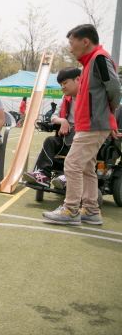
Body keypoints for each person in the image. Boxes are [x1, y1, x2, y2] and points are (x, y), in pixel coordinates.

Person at [43, 24, 121, 225]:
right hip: (90, 124)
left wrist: (108, 114)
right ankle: (92, 211)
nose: (70, 48)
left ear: (85, 41)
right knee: (86, 167)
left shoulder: (99, 58)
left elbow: (114, 89)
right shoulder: (89, 63)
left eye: (72, 43)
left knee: (72, 164)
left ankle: (71, 210)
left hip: (94, 124)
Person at [23, 67, 81, 188]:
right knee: (50, 140)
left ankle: (68, 176)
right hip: (67, 135)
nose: (63, 87)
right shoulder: (65, 98)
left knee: (78, 138)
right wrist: (62, 120)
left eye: (65, 83)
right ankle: (43, 174)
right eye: (61, 84)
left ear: (78, 80)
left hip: (82, 138)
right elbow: (53, 116)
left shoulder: (88, 98)